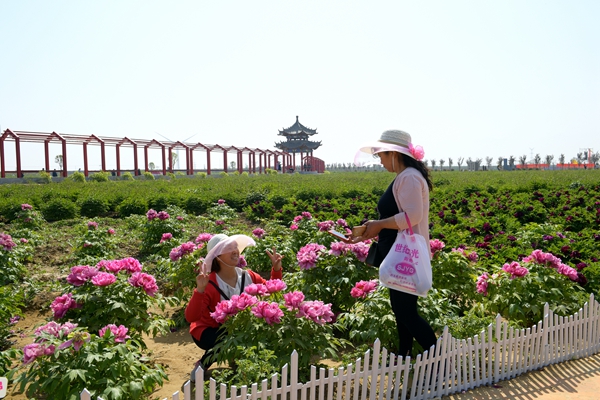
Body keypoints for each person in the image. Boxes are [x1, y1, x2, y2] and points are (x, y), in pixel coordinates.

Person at [351, 129, 437, 359]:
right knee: (403, 313)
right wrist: (370, 230)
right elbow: (397, 220)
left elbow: (412, 217)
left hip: (406, 256)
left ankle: (441, 362)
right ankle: (406, 357)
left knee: (406, 313)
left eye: (381, 155)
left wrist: (379, 225)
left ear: (393, 153)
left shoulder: (408, 177)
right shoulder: (405, 176)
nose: (379, 160)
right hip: (401, 254)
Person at [185, 233, 284, 382]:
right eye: (229, 248)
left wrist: (276, 270)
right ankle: (203, 364)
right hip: (209, 330)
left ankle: (236, 358)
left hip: (238, 328)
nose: (235, 250)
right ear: (217, 256)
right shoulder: (209, 282)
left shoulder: (248, 276)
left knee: (257, 328)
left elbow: (272, 290)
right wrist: (200, 290)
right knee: (226, 337)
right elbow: (191, 317)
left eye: (235, 247)